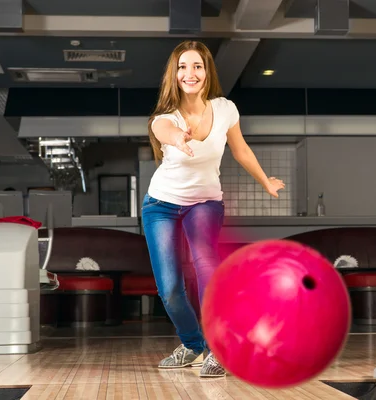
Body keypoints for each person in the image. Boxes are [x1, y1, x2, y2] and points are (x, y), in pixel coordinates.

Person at [142, 40, 285, 378]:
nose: (189, 73)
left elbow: (241, 150)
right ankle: (192, 345)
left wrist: (266, 181)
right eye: (182, 67)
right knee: (170, 289)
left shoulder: (225, 109)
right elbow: (163, 130)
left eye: (197, 66)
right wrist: (178, 138)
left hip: (205, 202)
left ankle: (217, 348)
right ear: (174, 75)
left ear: (207, 72)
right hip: (160, 206)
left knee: (207, 266)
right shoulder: (165, 119)